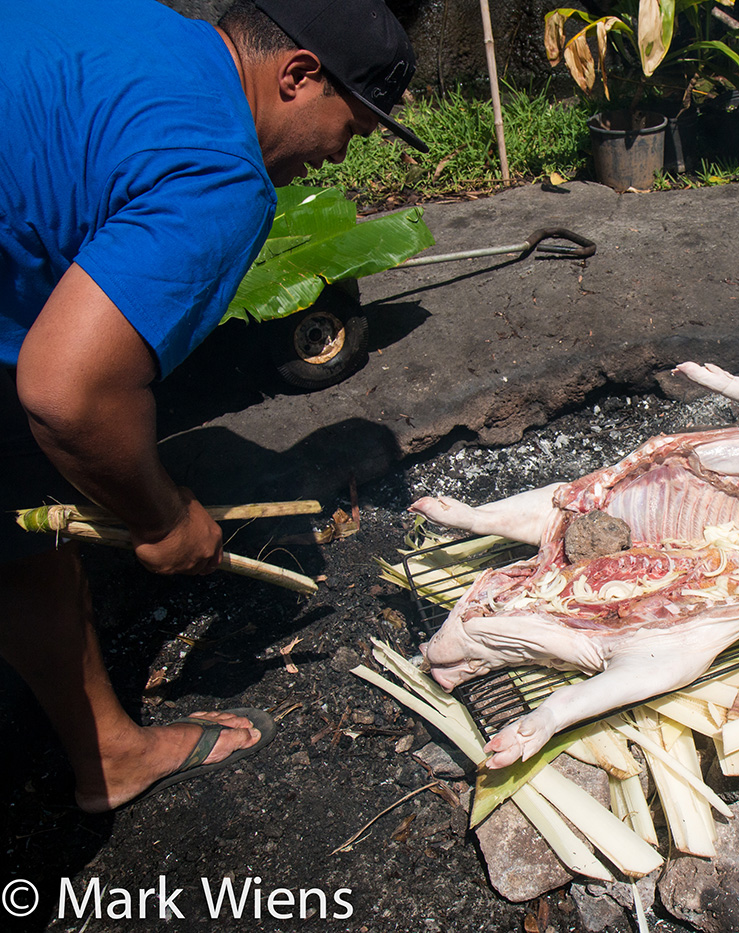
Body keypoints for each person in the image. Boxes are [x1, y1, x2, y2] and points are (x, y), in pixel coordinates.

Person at [0, 0, 429, 813]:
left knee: (22, 521)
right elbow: (70, 393)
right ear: (298, 76)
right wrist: (162, 519)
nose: (339, 156)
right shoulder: (223, 170)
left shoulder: (147, 28)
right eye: (353, 126)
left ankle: (109, 754)